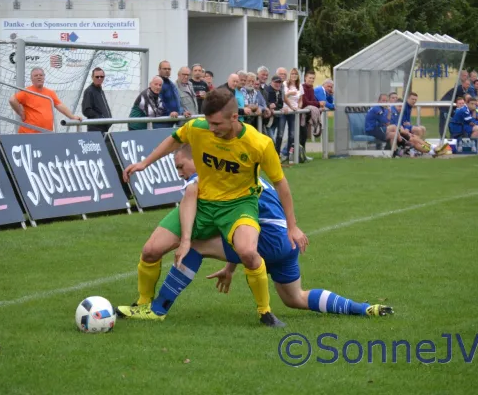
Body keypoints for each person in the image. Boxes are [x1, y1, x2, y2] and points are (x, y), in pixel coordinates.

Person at [116, 145, 393, 321]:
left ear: (199, 160)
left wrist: (187, 239)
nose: (180, 172)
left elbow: (225, 216)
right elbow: (240, 226)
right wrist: (230, 267)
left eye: (181, 166)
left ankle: (158, 310)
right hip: (285, 241)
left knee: (196, 246)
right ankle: (364, 308)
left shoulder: (210, 176)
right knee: (296, 298)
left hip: (267, 240)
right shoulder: (245, 176)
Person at [121, 88, 309, 327]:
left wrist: (292, 227)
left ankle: (265, 312)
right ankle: (144, 305)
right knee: (150, 250)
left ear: (234, 117)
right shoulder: (198, 128)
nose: (211, 129)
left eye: (217, 124)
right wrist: (144, 163)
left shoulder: (259, 144)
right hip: (204, 204)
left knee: (249, 253)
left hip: (239, 206)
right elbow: (175, 139)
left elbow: (282, 184)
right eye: (209, 122)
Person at [9, 68, 81, 134]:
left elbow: (60, 106)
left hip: (46, 133)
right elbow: (12, 100)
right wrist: (21, 113)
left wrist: (72, 117)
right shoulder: (26, 92)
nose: (39, 77)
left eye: (41, 75)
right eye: (35, 75)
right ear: (31, 79)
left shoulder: (50, 93)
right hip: (29, 134)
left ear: (44, 77)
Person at [81, 67, 112, 134]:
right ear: (92, 77)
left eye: (101, 76)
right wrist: (100, 118)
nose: (99, 78)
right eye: (97, 77)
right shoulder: (89, 91)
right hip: (95, 128)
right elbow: (86, 110)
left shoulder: (100, 91)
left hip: (104, 127)